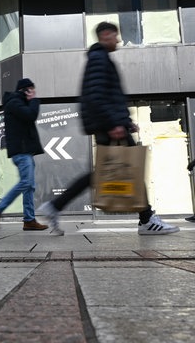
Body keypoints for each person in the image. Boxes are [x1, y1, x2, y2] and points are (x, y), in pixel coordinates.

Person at [37, 21, 179, 236]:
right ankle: (146, 219)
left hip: (111, 123)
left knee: (103, 174)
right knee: (132, 168)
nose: (119, 40)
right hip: (110, 125)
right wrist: (114, 123)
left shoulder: (99, 59)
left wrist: (125, 120)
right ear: (105, 35)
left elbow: (108, 96)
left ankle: (55, 206)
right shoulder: (99, 59)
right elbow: (96, 96)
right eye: (115, 35)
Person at [0, 78, 48, 231]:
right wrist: (34, 100)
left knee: (29, 187)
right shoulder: (14, 103)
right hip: (21, 152)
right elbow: (30, 115)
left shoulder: (18, 103)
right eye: (32, 90)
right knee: (26, 183)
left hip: (25, 152)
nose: (34, 93)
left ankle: (29, 220)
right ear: (26, 90)